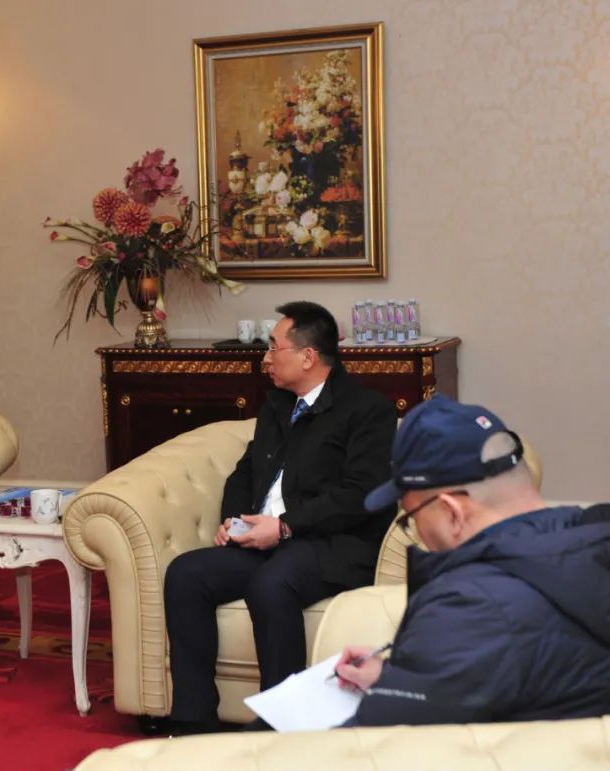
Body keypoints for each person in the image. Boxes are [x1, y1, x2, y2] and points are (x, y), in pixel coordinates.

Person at [163, 301, 396, 733]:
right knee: (186, 573)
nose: (265, 358)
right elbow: (246, 471)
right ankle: (193, 725)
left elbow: (360, 495)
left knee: (271, 583)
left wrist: (286, 526)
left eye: (274, 347)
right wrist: (234, 521)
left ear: (308, 357)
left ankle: (279, 729)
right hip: (267, 538)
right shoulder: (277, 405)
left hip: (331, 543)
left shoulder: (367, 410)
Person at [335, 395, 610, 725]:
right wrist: (401, 677)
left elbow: (372, 742)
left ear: (452, 512)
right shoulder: (593, 540)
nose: (417, 531)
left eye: (411, 517)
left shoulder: (470, 604)